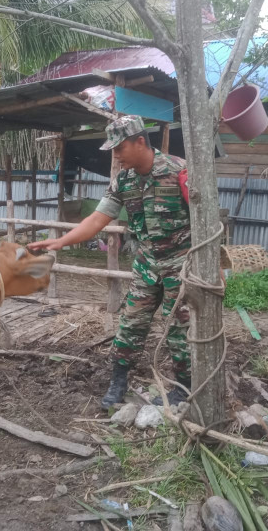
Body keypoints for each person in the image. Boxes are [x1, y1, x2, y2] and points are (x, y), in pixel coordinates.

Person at [28, 115, 193, 408]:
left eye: (120, 148)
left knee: (179, 332)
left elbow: (205, 221)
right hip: (146, 267)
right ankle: (118, 383)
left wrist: (214, 267)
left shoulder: (179, 170)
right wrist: (60, 241)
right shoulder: (124, 181)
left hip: (179, 267)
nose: (115, 155)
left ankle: (183, 389)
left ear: (140, 141)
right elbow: (96, 219)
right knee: (130, 326)